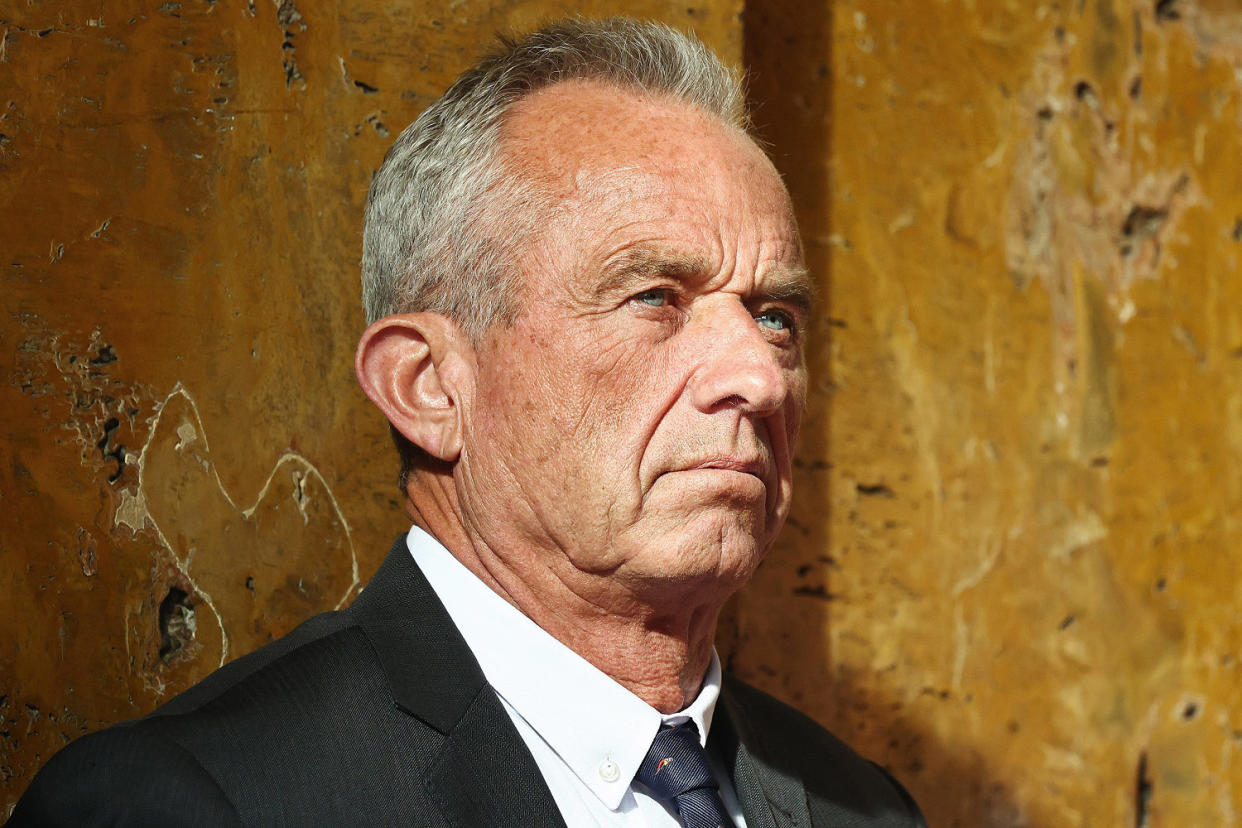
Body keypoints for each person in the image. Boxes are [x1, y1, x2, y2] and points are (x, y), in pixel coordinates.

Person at [10, 18, 924, 827]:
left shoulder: (861, 806)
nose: (759, 376)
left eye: (776, 317)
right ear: (428, 387)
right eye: (655, 296)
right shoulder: (199, 801)